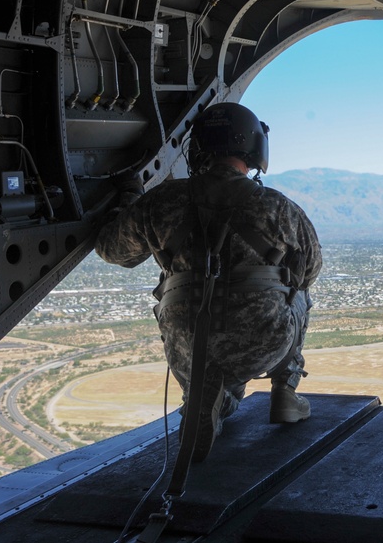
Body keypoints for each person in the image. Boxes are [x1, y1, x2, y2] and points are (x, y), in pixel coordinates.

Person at [95, 103, 321, 462]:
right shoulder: (280, 209)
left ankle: (203, 401)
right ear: (255, 150)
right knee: (300, 294)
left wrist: (129, 198)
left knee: (189, 327)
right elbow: (310, 271)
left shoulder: (160, 203)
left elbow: (114, 252)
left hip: (188, 345)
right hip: (262, 344)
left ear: (197, 147)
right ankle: (285, 390)